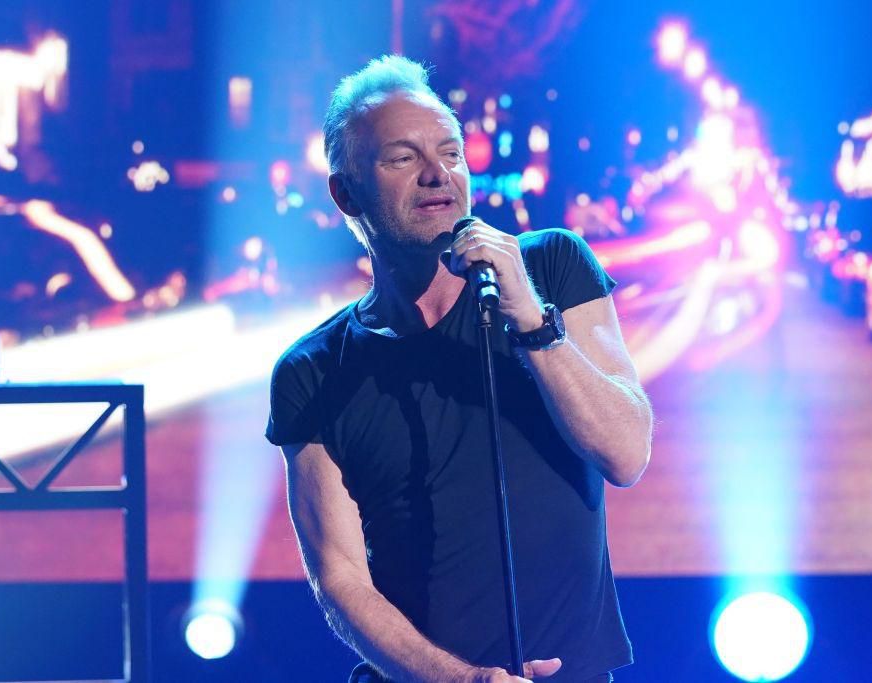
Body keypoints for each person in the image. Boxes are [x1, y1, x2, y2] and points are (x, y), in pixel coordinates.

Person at [266, 55, 653, 682]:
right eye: (402, 158)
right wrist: (461, 680)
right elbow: (339, 578)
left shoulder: (551, 268)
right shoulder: (313, 370)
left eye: (451, 153)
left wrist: (532, 319)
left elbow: (626, 454)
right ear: (346, 193)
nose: (436, 174)